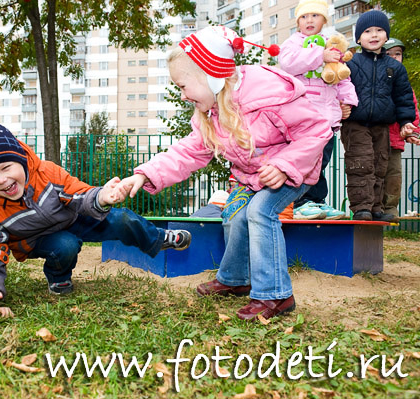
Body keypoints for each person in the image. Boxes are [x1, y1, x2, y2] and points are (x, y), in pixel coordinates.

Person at [116, 26, 332, 321]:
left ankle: (276, 295)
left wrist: (285, 166)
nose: (182, 95)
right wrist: (144, 174)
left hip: (292, 171)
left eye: (183, 86)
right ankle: (235, 279)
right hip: (250, 175)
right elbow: (188, 152)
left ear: (211, 75)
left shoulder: (268, 96)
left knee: (259, 212)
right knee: (234, 213)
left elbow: (316, 130)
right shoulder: (210, 113)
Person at [0, 123, 191, 308]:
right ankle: (58, 277)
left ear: (21, 159)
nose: (1, 180)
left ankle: (157, 239)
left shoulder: (47, 172)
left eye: (6, 168)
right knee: (65, 245)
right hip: (38, 239)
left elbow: (76, 192)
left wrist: (101, 197)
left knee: (122, 219)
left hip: (74, 218)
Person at [278, 0, 358, 220]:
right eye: (304, 17)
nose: (309, 20)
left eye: (315, 16)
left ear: (324, 20)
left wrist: (347, 102)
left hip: (327, 117)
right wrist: (319, 57)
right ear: (297, 23)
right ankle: (300, 202)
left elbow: (343, 76)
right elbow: (288, 63)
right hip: (303, 116)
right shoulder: (293, 42)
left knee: (321, 162)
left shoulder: (331, 44)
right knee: (305, 161)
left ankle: (317, 202)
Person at [342, 10, 416, 221]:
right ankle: (361, 207)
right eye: (367, 31)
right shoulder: (352, 63)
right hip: (355, 123)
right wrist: (339, 107)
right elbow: (340, 88)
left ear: (386, 36)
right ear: (358, 38)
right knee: (360, 164)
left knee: (379, 165)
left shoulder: (394, 68)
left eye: (379, 30)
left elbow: (403, 97)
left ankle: (376, 207)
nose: (373, 35)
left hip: (382, 125)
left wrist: (406, 121)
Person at [381, 38, 420, 221]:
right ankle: (374, 207)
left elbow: (411, 107)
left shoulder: (403, 84)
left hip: (395, 139)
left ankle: (390, 208)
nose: (394, 57)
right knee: (373, 174)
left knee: (393, 175)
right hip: (375, 138)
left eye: (398, 53)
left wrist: (413, 130)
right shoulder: (376, 79)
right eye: (389, 54)